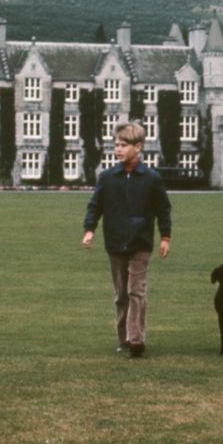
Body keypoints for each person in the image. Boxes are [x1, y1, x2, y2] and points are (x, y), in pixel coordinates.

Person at [82, 122, 172, 358]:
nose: (118, 149)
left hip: (141, 241)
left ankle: (136, 339)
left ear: (138, 147)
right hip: (115, 241)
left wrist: (165, 236)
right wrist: (89, 229)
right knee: (121, 294)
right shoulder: (107, 177)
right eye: (116, 145)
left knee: (136, 291)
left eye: (123, 145)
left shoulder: (152, 178)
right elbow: (95, 205)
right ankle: (123, 339)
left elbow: (163, 209)